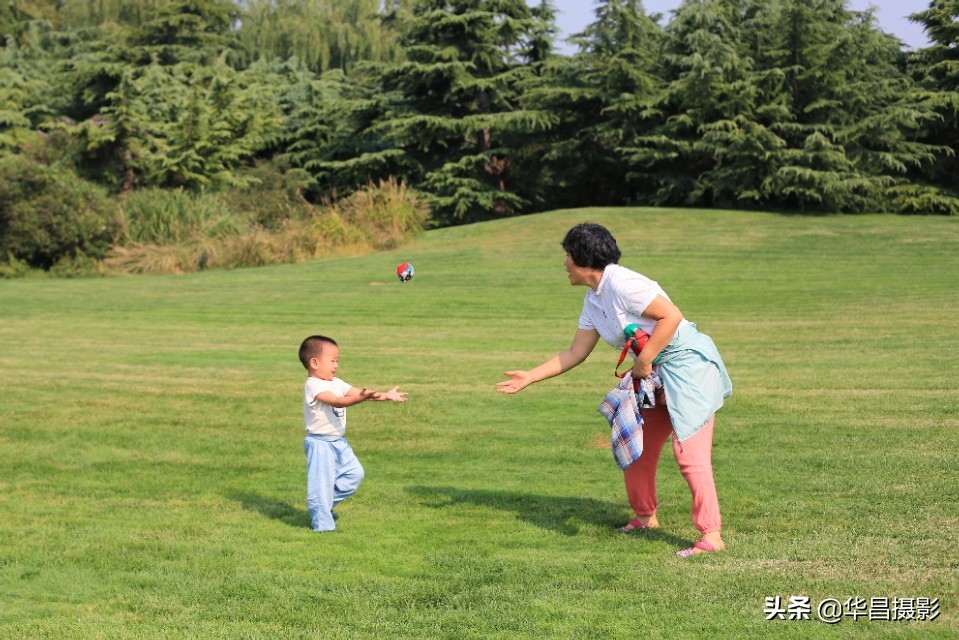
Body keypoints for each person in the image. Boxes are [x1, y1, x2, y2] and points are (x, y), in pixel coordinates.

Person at [496, 223, 732, 557]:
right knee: (636, 446)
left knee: (689, 455)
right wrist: (530, 376)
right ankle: (645, 517)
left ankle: (712, 536)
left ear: (584, 259)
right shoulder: (594, 299)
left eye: (568, 255)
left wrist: (644, 360)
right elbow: (576, 352)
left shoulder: (623, 284)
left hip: (689, 368)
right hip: (653, 373)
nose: (564, 263)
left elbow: (672, 316)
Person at [298, 335, 407, 531]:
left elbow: (361, 394)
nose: (336, 365)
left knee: (355, 474)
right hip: (320, 443)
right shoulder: (313, 385)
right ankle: (323, 526)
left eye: (337, 361)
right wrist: (359, 399)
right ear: (314, 363)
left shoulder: (337, 382)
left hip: (338, 442)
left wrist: (386, 396)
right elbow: (337, 401)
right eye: (332, 361)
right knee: (321, 485)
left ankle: (322, 506)